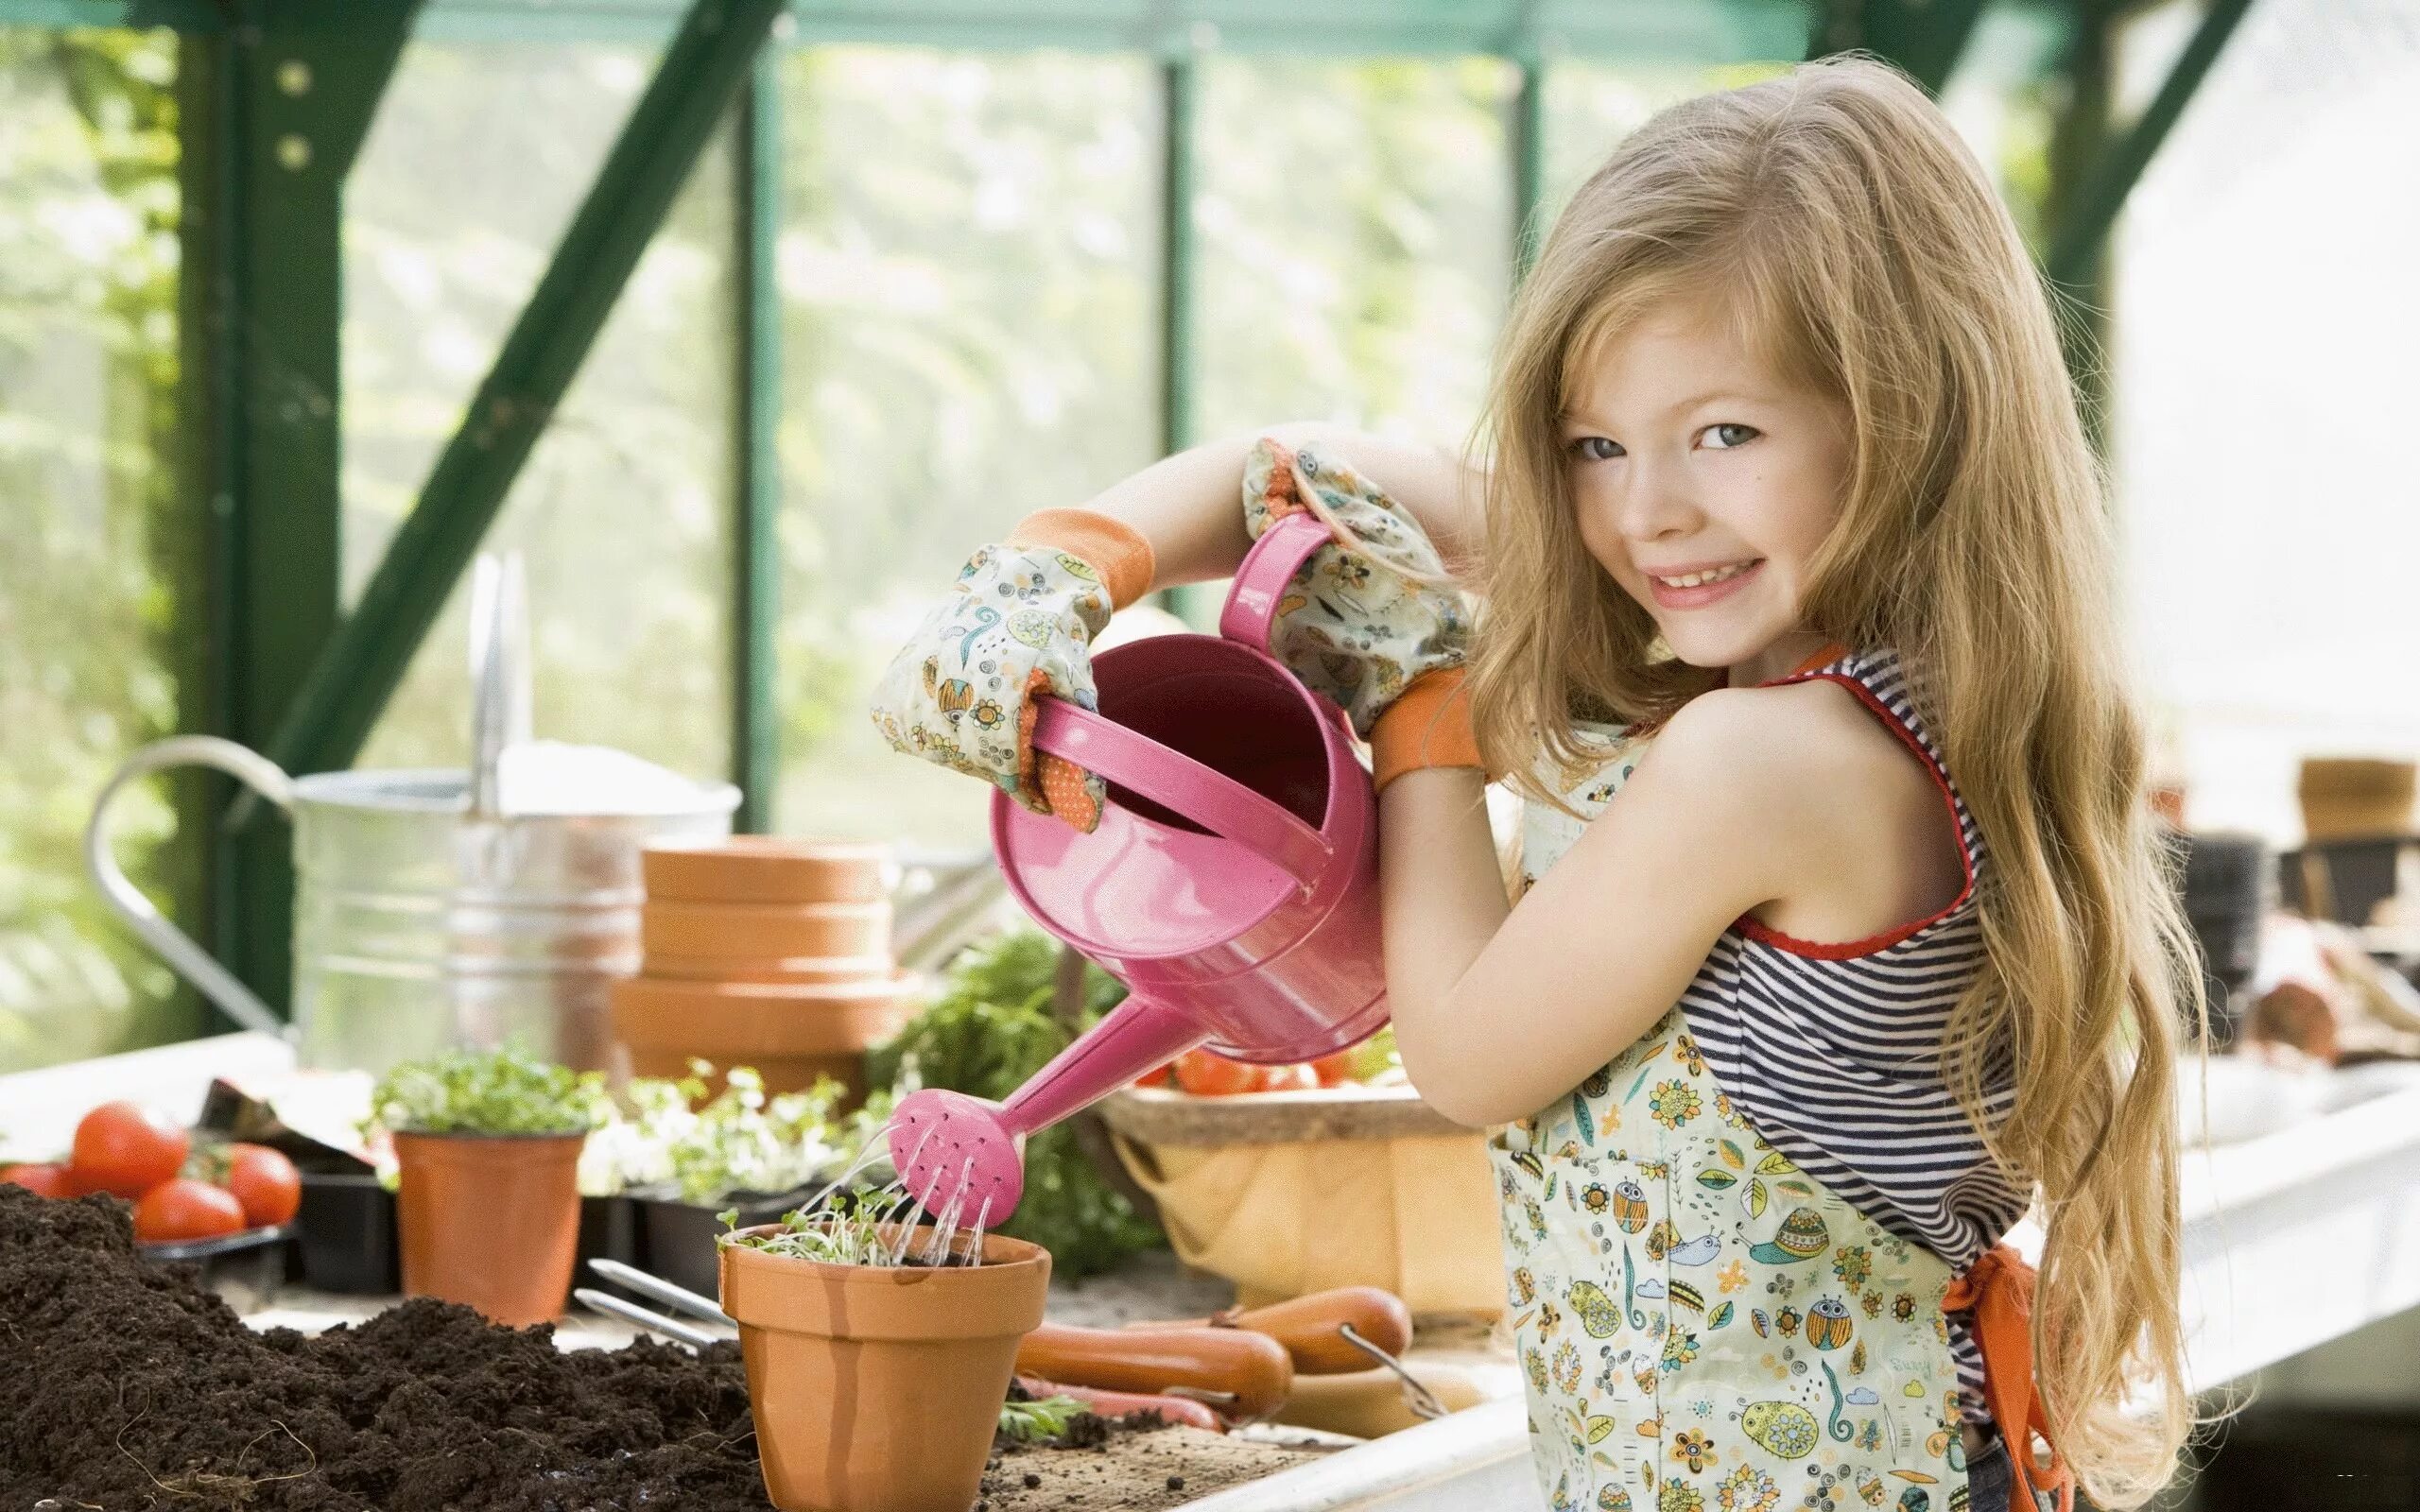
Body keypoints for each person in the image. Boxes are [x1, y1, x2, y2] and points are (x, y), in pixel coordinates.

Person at [869, 55, 2203, 1512]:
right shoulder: (1862, 678)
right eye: (1594, 444)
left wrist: (1425, 709)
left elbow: (1467, 1050)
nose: (1647, 512)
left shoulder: (1765, 762)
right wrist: (1064, 565)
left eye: (1727, 433)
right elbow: (1317, 477)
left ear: (1909, 413)